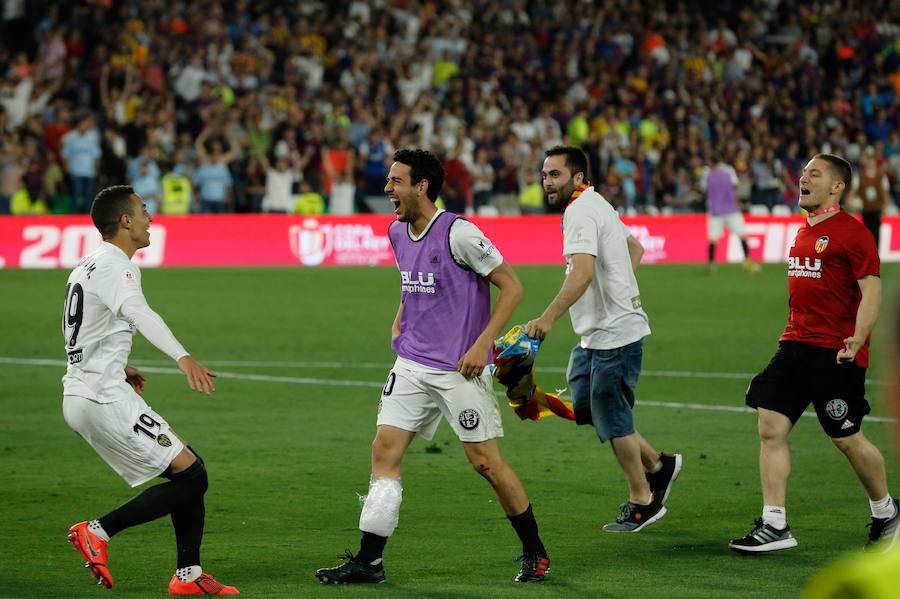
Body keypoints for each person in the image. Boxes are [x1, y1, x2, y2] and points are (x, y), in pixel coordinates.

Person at [315, 149, 550, 584]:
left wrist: (483, 345)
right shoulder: (396, 231)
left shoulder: (459, 233)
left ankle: (534, 551)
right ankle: (369, 561)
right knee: (383, 452)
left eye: (395, 181)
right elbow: (411, 281)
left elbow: (512, 287)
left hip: (459, 369)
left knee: (486, 464)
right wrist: (400, 320)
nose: (387, 189)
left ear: (421, 186)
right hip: (411, 365)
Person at [62, 185, 238, 595]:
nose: (150, 217)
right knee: (192, 477)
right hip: (102, 397)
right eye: (143, 211)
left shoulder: (87, 265)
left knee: (190, 469)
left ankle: (189, 576)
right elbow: (140, 312)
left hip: (88, 389)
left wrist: (119, 364)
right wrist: (183, 357)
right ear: (125, 221)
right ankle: (97, 531)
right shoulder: (117, 266)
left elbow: (81, 329)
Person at [729, 154, 898, 554]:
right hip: (795, 344)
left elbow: (871, 288)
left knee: (847, 437)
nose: (803, 178)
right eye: (803, 172)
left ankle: (886, 511)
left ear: (837, 187)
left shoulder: (852, 233)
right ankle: (775, 524)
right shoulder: (804, 230)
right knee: (770, 422)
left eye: (814, 174)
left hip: (835, 351)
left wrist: (858, 338)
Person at [525, 145, 682, 533]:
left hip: (615, 335)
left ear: (578, 177)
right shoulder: (596, 203)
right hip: (596, 335)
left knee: (612, 418)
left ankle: (642, 500)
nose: (547, 181)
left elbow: (581, 274)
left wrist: (547, 318)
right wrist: (620, 287)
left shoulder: (580, 211)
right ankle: (660, 466)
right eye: (545, 174)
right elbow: (634, 247)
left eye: (555, 174)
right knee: (586, 406)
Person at [702, 152, 759, 273]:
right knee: (739, 235)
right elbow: (735, 186)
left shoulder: (707, 173)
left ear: (712, 162)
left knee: (714, 238)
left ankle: (712, 264)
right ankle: (746, 262)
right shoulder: (729, 171)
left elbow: (704, 189)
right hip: (728, 210)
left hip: (718, 211)